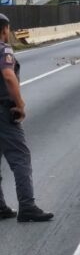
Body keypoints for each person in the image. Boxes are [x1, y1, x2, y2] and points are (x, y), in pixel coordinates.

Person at [0, 13, 53, 222]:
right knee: (20, 158)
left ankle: (1, 207)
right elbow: (8, 75)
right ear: (4, 29)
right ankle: (27, 206)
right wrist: (20, 104)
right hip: (4, 112)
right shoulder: (3, 50)